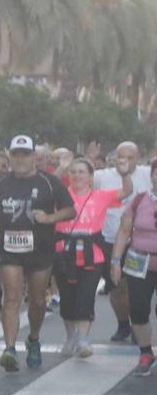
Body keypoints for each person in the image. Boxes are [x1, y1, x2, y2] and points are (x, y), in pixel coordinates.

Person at [0, 135, 75, 371]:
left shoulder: (49, 181)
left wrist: (49, 218)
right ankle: (10, 348)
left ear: (34, 157)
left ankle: (33, 339)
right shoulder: (1, 182)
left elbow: (70, 210)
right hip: (9, 248)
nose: (21, 159)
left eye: (25, 154)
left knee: (36, 301)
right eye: (16, 154)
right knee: (11, 298)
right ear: (10, 156)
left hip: (40, 250)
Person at [54, 157, 116, 357]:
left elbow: (127, 191)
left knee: (85, 297)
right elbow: (48, 185)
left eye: (81, 172)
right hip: (64, 253)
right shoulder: (60, 196)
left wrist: (124, 172)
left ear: (90, 176)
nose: (77, 176)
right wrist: (60, 169)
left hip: (92, 256)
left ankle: (83, 340)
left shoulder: (101, 196)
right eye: (73, 172)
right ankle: (71, 335)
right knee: (67, 299)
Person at [94, 141, 150, 342]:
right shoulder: (102, 177)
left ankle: (138, 327)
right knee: (117, 288)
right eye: (121, 157)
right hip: (110, 239)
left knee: (137, 288)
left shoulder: (147, 173)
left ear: (138, 158)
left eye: (130, 157)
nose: (124, 161)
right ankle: (123, 325)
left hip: (140, 242)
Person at [110, 179, 157, 376]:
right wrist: (115, 261)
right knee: (138, 308)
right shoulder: (139, 200)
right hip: (139, 262)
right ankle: (146, 353)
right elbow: (123, 231)